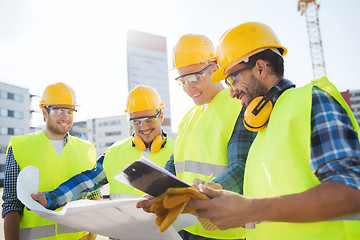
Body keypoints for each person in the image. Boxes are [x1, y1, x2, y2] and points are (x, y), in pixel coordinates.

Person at [187, 22, 360, 240]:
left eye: (233, 79)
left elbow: (353, 191)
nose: (231, 93)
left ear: (260, 68)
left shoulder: (310, 102)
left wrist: (249, 209)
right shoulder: (262, 132)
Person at [138, 34, 256, 240]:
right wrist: (159, 190)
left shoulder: (237, 107)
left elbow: (242, 169)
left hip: (224, 231)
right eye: (182, 81)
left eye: (194, 79)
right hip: (187, 227)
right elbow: (176, 163)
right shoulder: (188, 119)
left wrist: (203, 193)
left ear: (215, 69)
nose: (188, 88)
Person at [31, 85, 175, 208]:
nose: (143, 127)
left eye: (149, 120)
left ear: (161, 117)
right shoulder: (115, 152)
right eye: (137, 122)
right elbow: (85, 183)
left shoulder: (178, 151)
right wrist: (50, 199)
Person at [2, 82, 100, 240]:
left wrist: (91, 236)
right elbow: (11, 203)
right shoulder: (20, 147)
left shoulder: (86, 149)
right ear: (44, 112)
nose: (66, 117)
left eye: (70, 111)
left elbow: (94, 196)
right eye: (59, 110)